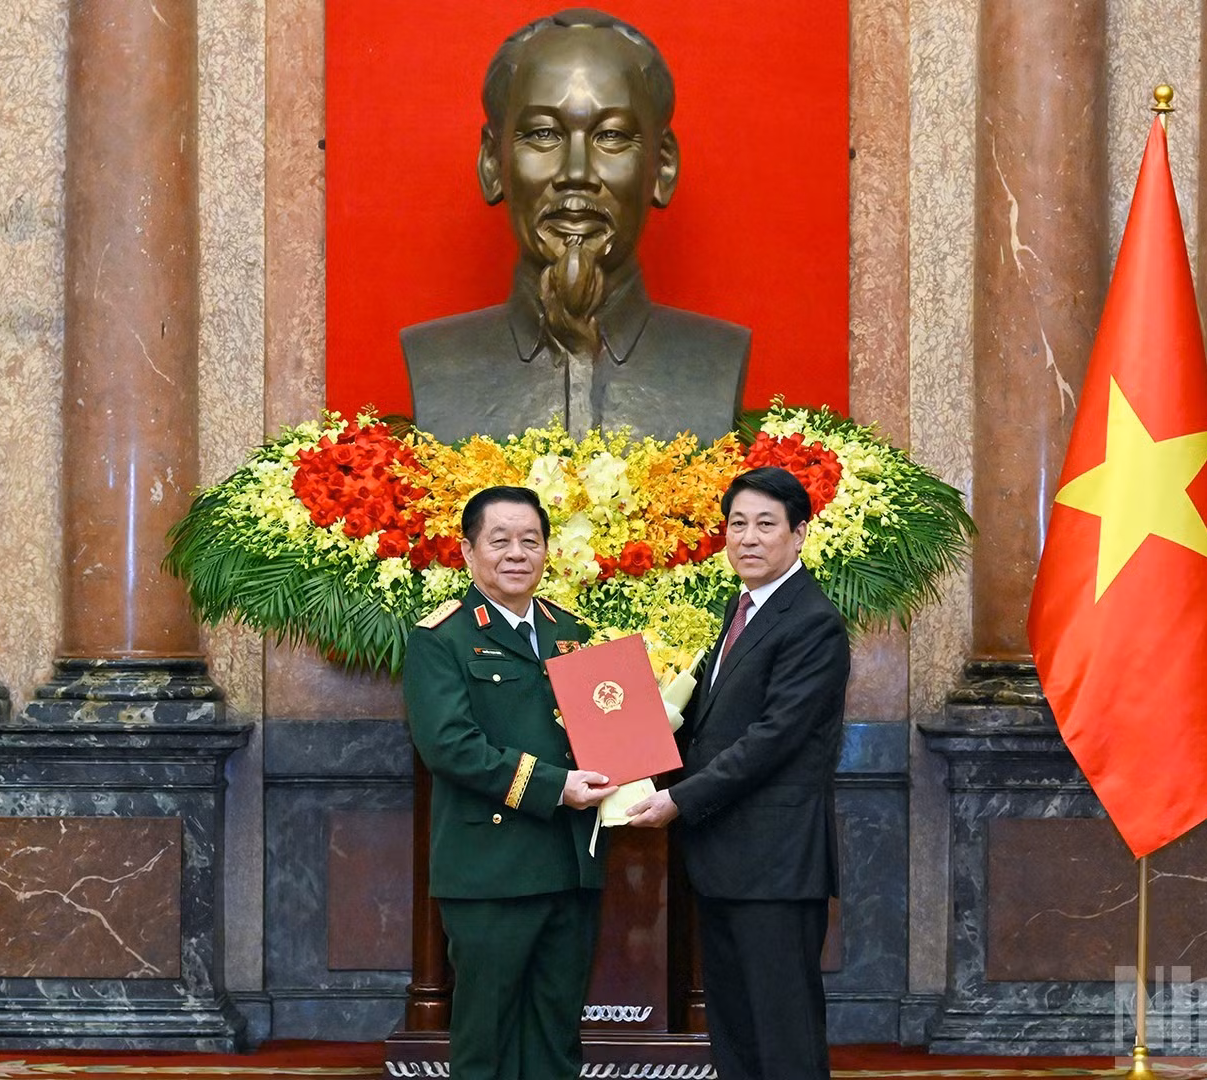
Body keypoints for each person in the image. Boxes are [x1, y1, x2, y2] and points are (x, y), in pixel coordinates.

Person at [402, 8, 749, 443]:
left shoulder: (718, 357)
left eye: (612, 135)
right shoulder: (436, 361)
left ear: (662, 167)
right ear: (493, 163)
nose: (576, 172)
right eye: (544, 134)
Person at [625, 466, 850, 1080]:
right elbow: (704, 721)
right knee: (735, 1028)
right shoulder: (743, 607)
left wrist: (678, 800)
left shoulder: (812, 622)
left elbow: (772, 739)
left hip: (776, 864)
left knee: (783, 1033)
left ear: (800, 534)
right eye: (737, 524)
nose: (747, 538)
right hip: (725, 856)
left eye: (766, 525)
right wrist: (627, 749)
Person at [401, 485, 618, 1080]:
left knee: (556, 1036)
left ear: (548, 550)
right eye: (500, 541)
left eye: (530, 540)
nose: (517, 553)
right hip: (489, 868)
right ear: (469, 553)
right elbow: (450, 747)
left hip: (570, 864)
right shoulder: (439, 638)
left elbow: (603, 730)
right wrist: (557, 788)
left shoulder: (569, 631)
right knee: (487, 1038)